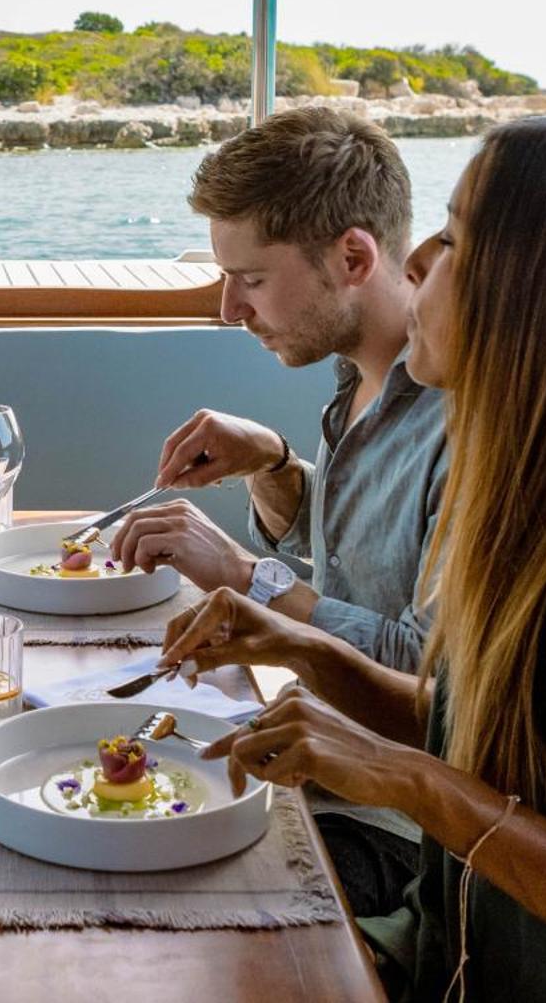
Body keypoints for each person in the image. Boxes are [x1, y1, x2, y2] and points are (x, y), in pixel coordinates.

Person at [164, 116, 546, 1001]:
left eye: (455, 236)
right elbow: (494, 734)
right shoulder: (539, 510)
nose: (415, 260)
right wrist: (296, 644)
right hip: (467, 954)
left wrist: (410, 779)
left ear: (539, 291)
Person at [113, 104, 447, 913]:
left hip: (396, 828)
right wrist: (274, 464)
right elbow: (354, 575)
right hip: (314, 761)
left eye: (251, 280)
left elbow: (420, 669)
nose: (230, 309)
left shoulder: (458, 419)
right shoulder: (353, 377)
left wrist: (244, 573)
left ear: (354, 255)